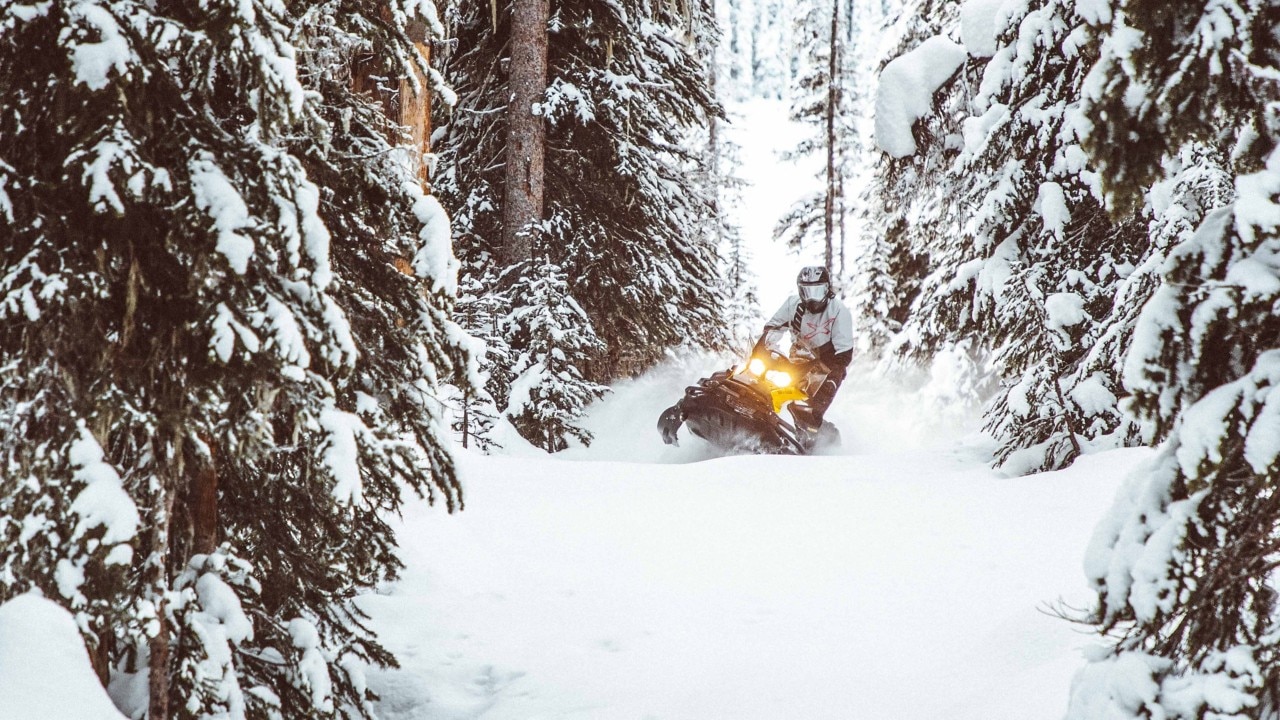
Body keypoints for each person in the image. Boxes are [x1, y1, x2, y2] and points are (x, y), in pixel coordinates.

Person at [757, 265, 854, 430]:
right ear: (800, 291)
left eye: (817, 292)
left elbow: (844, 351)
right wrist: (764, 348)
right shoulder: (792, 304)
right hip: (799, 356)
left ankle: (809, 428)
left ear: (827, 289)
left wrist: (830, 370)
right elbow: (773, 327)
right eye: (807, 292)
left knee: (817, 392)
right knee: (762, 373)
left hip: (827, 363)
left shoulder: (838, 310)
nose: (812, 299)